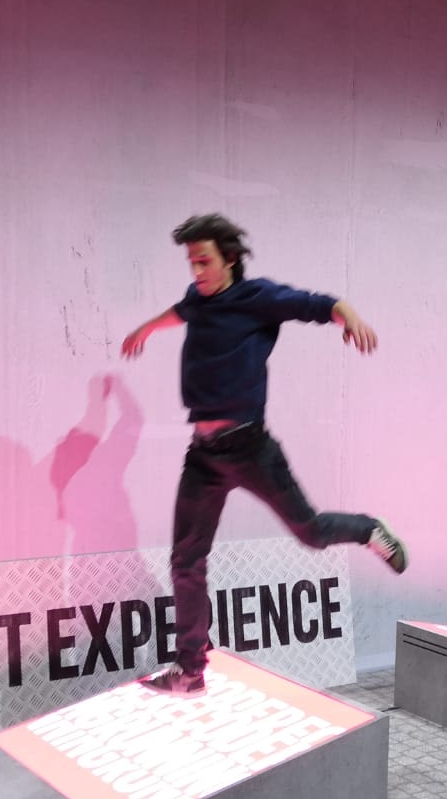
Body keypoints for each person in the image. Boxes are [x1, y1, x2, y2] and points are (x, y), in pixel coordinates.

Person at [121, 213, 408, 694]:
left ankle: (368, 529)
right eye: (191, 263)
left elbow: (319, 305)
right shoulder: (198, 300)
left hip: (251, 447)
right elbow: (180, 311)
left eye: (204, 261)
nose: (196, 272)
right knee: (186, 559)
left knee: (311, 532)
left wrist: (350, 315)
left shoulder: (258, 299)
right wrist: (148, 329)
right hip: (204, 456)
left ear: (230, 259)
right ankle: (190, 670)